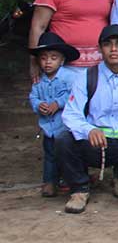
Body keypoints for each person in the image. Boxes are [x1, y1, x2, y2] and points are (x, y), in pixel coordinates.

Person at [56, 25, 118, 214]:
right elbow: (71, 113)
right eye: (107, 44)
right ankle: (79, 189)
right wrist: (89, 130)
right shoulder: (86, 77)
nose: (113, 50)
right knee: (64, 140)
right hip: (96, 143)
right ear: (99, 48)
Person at [29, 31, 78, 197]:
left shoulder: (69, 77)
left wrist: (58, 103)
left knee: (68, 154)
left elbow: (74, 94)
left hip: (65, 127)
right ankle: (49, 182)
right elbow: (33, 97)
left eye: (53, 57)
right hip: (48, 128)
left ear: (62, 60)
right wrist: (38, 105)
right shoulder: (39, 81)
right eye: (43, 58)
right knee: (50, 155)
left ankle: (70, 180)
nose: (48, 62)